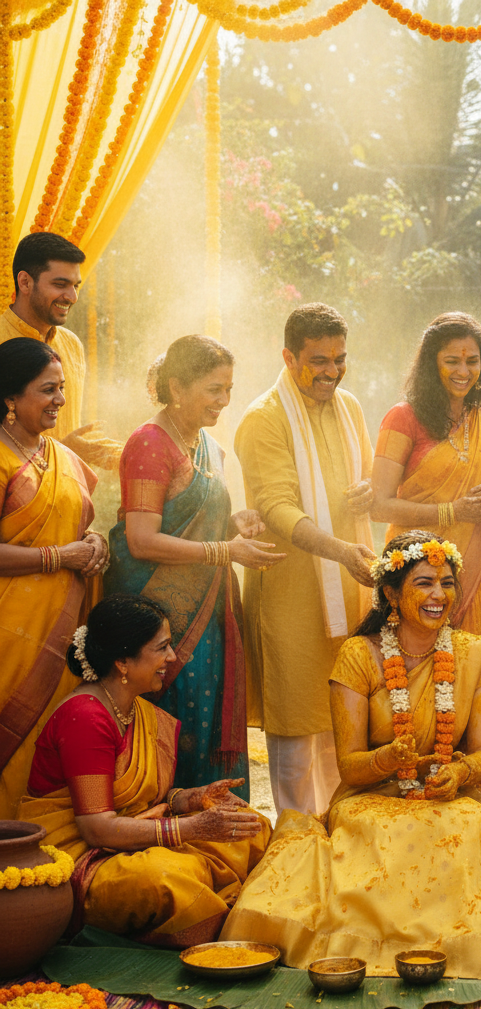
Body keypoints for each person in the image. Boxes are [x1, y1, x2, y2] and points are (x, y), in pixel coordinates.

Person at [222, 532, 481, 975]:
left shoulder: (474, 654)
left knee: (465, 824)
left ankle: (457, 941)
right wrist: (388, 758)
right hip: (371, 796)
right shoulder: (358, 655)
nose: (438, 595)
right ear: (390, 593)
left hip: (449, 799)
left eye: (447, 583)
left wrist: (460, 774)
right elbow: (349, 765)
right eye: (423, 583)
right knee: (375, 830)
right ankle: (375, 940)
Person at [19, 595, 271, 947]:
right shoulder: (86, 718)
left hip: (129, 838)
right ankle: (226, 922)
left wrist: (191, 799)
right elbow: (96, 828)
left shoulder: (134, 709)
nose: (173, 657)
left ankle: (233, 909)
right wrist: (192, 827)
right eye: (162, 647)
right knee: (165, 880)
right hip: (82, 859)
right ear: (123, 661)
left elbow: (144, 800)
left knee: (251, 827)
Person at [105, 336, 284, 799]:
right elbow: (143, 540)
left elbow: (197, 519)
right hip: (159, 619)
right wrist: (226, 551)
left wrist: (235, 521)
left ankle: (219, 830)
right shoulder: (149, 444)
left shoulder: (209, 446)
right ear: (177, 387)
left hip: (209, 615)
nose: (224, 400)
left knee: (208, 708)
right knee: (172, 715)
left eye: (228, 388)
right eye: (213, 389)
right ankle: (167, 829)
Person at [234, 302, 375, 816]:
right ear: (289, 357)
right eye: (319, 360)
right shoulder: (263, 419)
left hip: (352, 584)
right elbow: (275, 505)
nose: (332, 372)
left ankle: (345, 837)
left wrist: (367, 493)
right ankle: (296, 843)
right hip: (290, 592)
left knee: (346, 723)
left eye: (340, 358)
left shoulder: (349, 406)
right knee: (296, 727)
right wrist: (340, 552)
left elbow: (364, 483)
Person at [372, 312, 481, 810]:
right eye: (451, 359)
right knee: (413, 683)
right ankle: (410, 797)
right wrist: (452, 510)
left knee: (478, 683)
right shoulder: (403, 418)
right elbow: (379, 502)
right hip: (416, 571)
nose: (462, 369)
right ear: (431, 363)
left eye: (472, 360)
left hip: (478, 569)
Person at [0, 337, 107, 818]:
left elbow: (79, 526)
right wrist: (57, 556)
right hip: (10, 633)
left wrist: (95, 543)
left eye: (62, 388)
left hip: (63, 632)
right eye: (47, 390)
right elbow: (59, 545)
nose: (60, 400)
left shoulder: (63, 458)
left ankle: (46, 845)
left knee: (50, 739)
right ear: (10, 398)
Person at [2, 232, 119, 469]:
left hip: (68, 495)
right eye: (60, 284)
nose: (72, 297)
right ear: (25, 282)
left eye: (76, 285)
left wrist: (137, 453)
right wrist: (62, 453)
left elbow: (68, 429)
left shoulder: (71, 344)